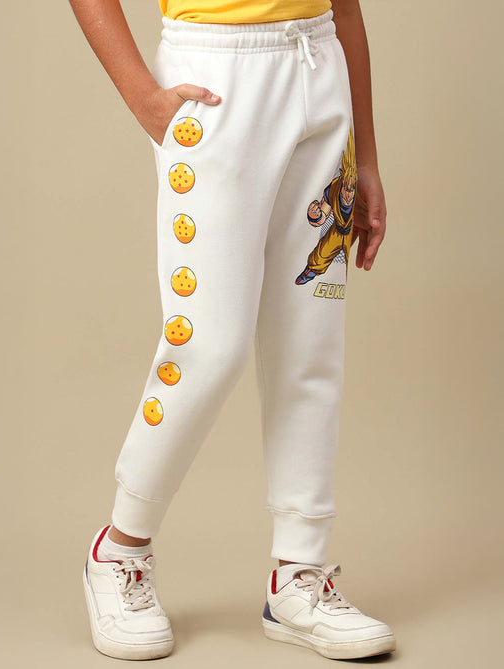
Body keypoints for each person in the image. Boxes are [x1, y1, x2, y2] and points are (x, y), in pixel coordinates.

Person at [69, 0, 394, 661]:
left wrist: (366, 154)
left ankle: (298, 574)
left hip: (320, 67)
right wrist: (144, 99)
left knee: (310, 343)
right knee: (208, 345)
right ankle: (119, 549)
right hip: (216, 78)